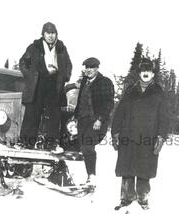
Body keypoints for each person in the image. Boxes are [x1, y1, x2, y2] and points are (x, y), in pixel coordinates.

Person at [111, 57, 169, 210]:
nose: (145, 73)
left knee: (144, 170)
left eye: (148, 71)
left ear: (153, 74)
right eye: (143, 71)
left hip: (148, 138)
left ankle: (143, 200)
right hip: (128, 136)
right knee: (127, 169)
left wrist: (161, 137)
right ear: (139, 73)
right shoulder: (130, 91)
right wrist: (115, 132)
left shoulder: (159, 93)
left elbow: (164, 118)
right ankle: (126, 199)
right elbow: (119, 113)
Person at [19, 22, 72, 152]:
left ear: (56, 34)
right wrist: (30, 76)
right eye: (48, 33)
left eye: (53, 33)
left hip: (54, 85)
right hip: (37, 85)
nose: (50, 36)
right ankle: (27, 143)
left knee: (53, 115)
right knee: (32, 113)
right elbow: (23, 63)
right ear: (43, 34)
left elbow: (68, 66)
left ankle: (52, 143)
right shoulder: (34, 47)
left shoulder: (61, 48)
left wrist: (63, 76)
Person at [74, 57, 114, 186]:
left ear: (97, 68)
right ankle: (88, 176)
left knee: (87, 145)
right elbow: (80, 102)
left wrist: (100, 119)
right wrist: (75, 117)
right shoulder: (85, 82)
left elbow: (109, 104)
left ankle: (92, 176)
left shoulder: (105, 82)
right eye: (87, 67)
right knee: (82, 147)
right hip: (83, 120)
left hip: (96, 122)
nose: (89, 70)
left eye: (92, 67)